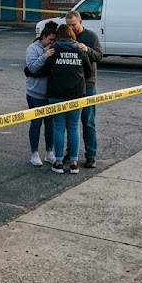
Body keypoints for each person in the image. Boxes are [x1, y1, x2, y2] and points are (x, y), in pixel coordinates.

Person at [43, 24, 89, 174]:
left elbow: (45, 69)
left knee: (58, 128)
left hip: (56, 94)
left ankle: (59, 162)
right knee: (74, 127)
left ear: (59, 36)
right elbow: (88, 70)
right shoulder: (80, 49)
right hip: (76, 94)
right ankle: (74, 163)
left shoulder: (54, 50)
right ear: (72, 35)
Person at [64, 10, 103, 168]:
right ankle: (70, 152)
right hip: (71, 86)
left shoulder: (91, 36)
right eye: (68, 25)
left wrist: (87, 49)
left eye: (73, 25)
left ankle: (91, 155)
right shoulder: (66, 36)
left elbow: (99, 56)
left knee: (88, 122)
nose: (71, 28)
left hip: (88, 84)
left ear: (80, 22)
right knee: (70, 123)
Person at [26, 24, 57, 166]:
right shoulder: (32, 48)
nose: (51, 42)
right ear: (43, 36)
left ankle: (49, 152)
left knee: (50, 124)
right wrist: (44, 56)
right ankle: (34, 153)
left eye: (53, 40)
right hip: (35, 93)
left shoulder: (54, 48)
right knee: (36, 123)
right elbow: (32, 67)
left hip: (50, 93)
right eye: (50, 39)